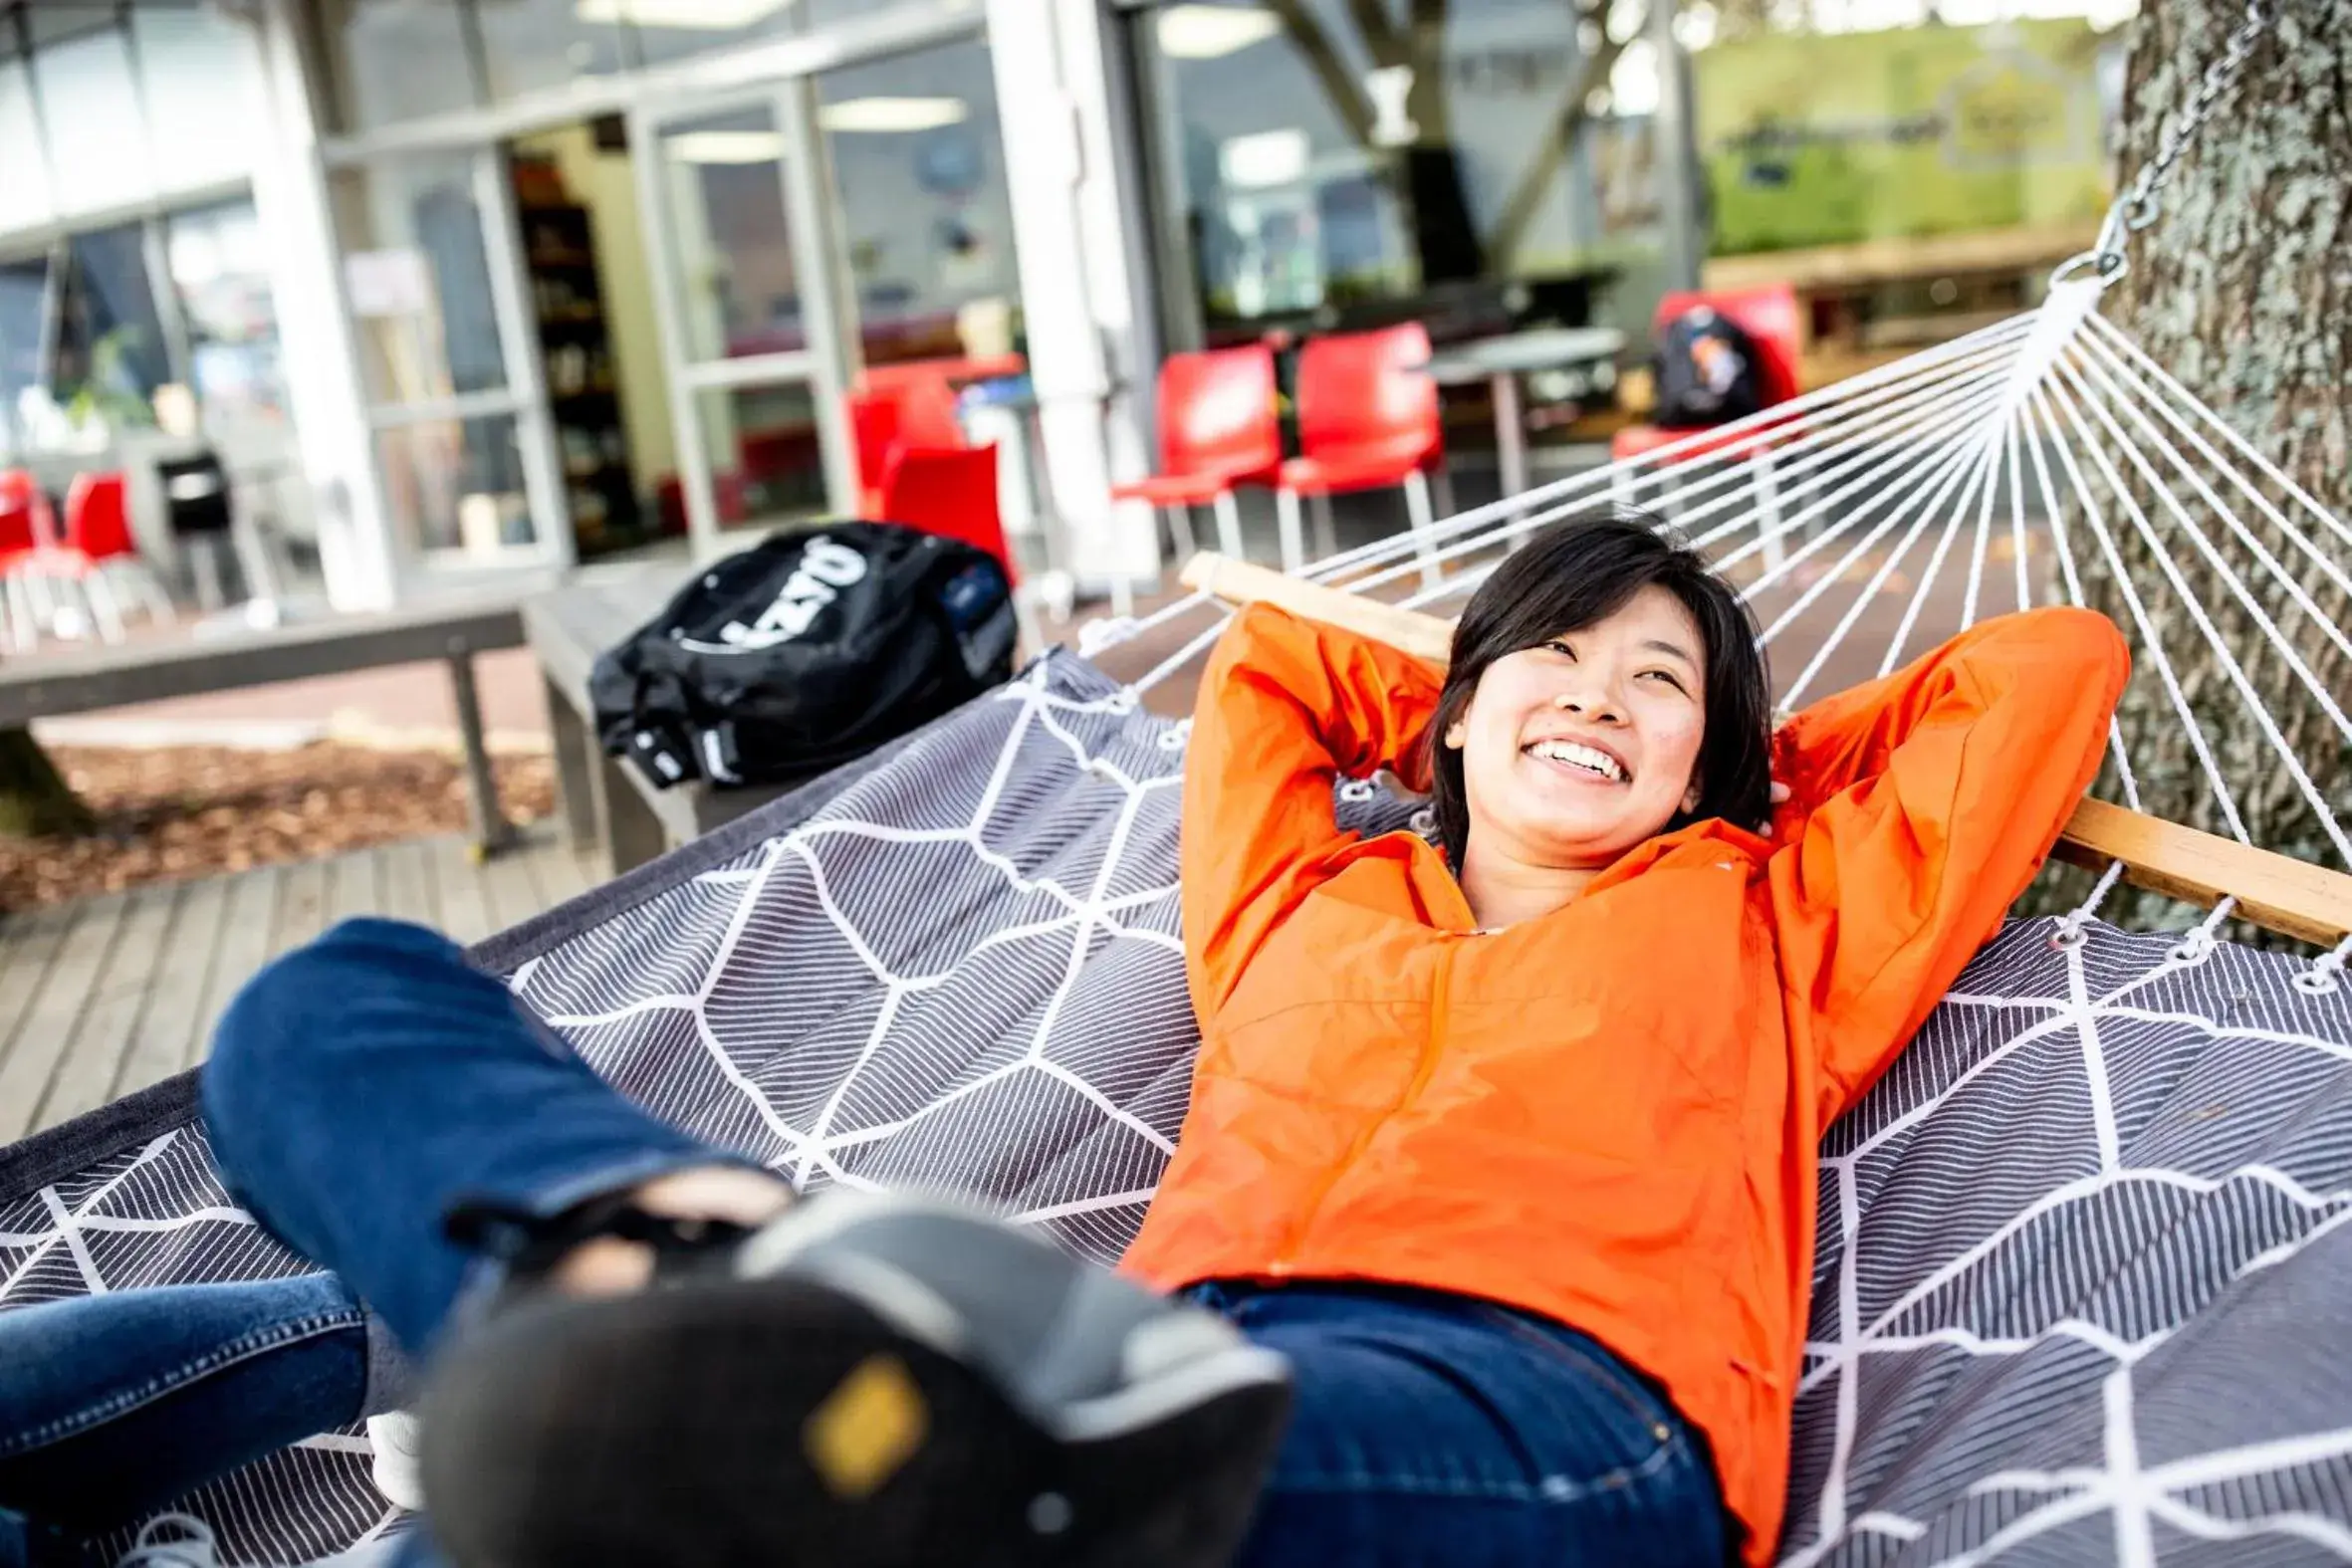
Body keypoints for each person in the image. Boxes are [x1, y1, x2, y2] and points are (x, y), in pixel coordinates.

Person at [0, 515, 2129, 1568]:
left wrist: (1724, 764)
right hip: (1138, 1349)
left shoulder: (1773, 917)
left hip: (1535, 1400)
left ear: (1715, 758)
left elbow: (2041, 670)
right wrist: (1486, 699)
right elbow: (1277, 665)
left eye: (1651, 680)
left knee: (914, 1467)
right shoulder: (1302, 890)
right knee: (317, 1005)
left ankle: (727, 1380)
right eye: (1546, 657)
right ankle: (659, 1283)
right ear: (1446, 709)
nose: (1593, 690)